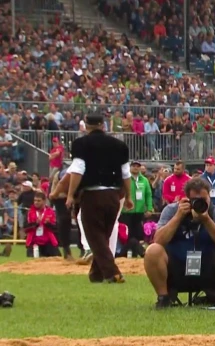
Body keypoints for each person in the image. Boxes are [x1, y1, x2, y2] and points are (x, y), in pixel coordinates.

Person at [144, 178, 215, 309]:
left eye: (204, 199)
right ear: (186, 198)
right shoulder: (171, 210)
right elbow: (158, 240)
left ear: (209, 197)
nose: (199, 203)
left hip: (207, 267)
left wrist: (206, 219)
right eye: (195, 200)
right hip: (177, 267)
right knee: (153, 250)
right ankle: (163, 298)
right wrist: (178, 216)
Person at [65, 114, 132, 284]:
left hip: (92, 194)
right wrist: (129, 196)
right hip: (113, 196)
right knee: (104, 235)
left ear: (86, 126)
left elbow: (78, 170)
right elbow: (126, 174)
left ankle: (112, 273)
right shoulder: (119, 145)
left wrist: (70, 194)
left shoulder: (81, 144)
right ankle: (96, 274)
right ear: (103, 125)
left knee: (95, 236)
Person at [120, 161, 153, 246]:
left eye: (137, 166)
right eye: (133, 166)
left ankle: (137, 252)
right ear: (129, 167)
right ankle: (126, 251)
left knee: (138, 234)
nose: (135, 167)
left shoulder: (144, 180)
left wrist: (149, 208)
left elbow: (148, 195)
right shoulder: (125, 179)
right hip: (126, 211)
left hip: (139, 211)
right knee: (127, 233)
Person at [24, 192, 59, 257]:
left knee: (55, 260)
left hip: (48, 241)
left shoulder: (51, 212)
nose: (36, 202)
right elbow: (25, 229)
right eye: (35, 200)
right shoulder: (29, 212)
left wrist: (48, 224)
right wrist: (36, 224)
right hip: (33, 241)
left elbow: (56, 228)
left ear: (44, 201)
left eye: (38, 201)